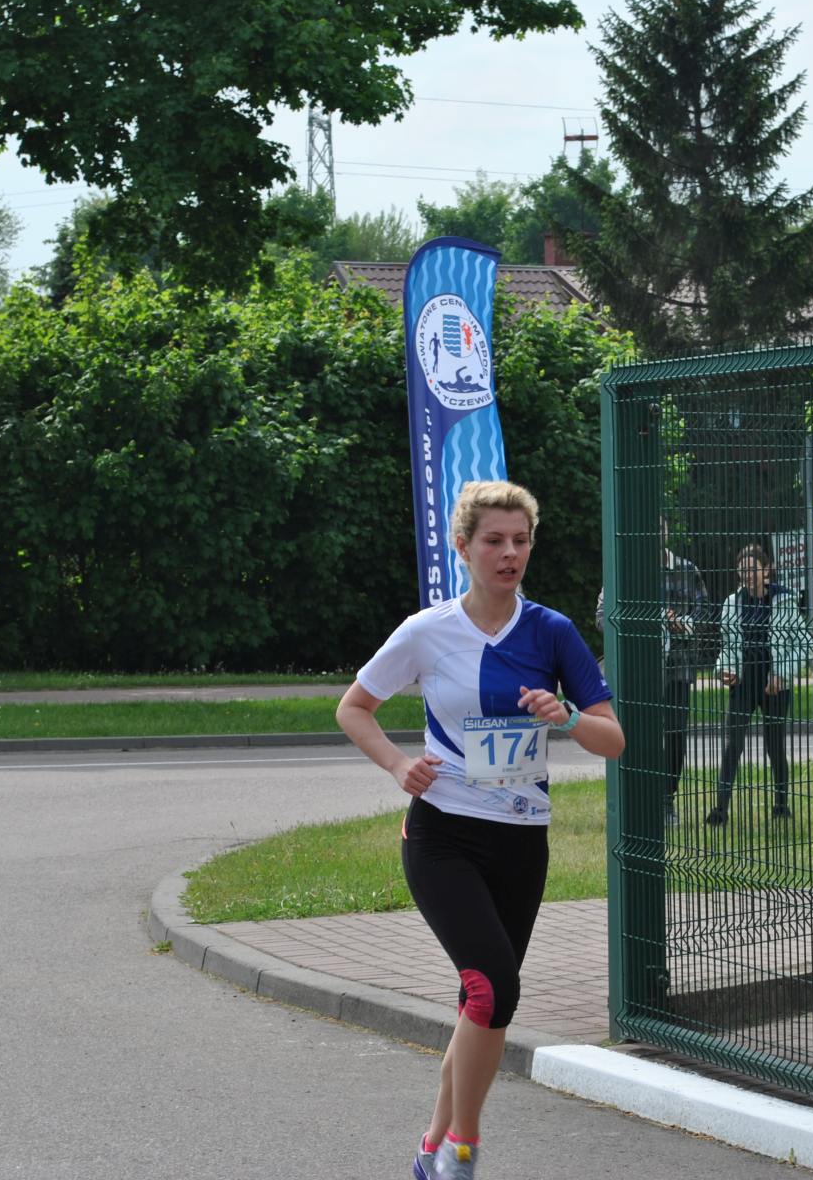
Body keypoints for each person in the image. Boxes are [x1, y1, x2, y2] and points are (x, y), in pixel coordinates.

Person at [336, 480, 623, 1180]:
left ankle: (430, 1148)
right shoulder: (426, 631)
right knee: (493, 989)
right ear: (463, 548)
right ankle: (462, 1149)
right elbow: (354, 707)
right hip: (443, 833)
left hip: (521, 839)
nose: (509, 553)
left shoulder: (550, 631)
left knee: (482, 1002)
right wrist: (398, 765)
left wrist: (565, 716)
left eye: (520, 541)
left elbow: (613, 740)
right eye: (494, 540)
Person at [595, 515, 709, 826]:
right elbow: (602, 616)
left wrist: (681, 624)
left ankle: (666, 800)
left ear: (667, 532)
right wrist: (636, 627)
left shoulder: (687, 570)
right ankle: (636, 799)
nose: (656, 533)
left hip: (678, 667)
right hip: (638, 670)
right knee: (634, 735)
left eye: (660, 528)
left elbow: (704, 615)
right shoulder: (625, 569)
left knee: (675, 735)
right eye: (650, 528)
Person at [707, 542, 807, 825]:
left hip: (775, 683)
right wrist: (724, 670)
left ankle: (781, 805)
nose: (748, 575)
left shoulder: (785, 601)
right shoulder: (732, 603)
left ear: (767, 570)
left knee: (774, 745)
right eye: (743, 570)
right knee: (733, 745)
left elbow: (803, 645)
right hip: (743, 683)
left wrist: (782, 674)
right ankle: (720, 809)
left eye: (754, 569)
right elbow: (727, 646)